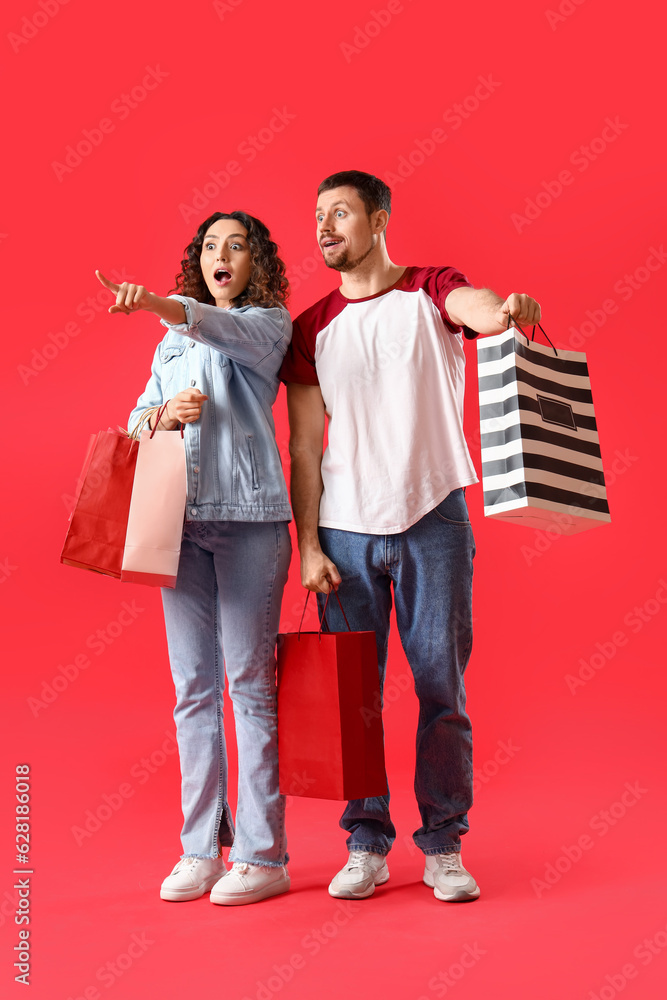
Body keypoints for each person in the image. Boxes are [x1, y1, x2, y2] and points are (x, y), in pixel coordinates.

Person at [280, 170, 541, 903]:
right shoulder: (311, 326)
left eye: (339, 212)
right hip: (345, 529)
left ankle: (442, 847)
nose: (324, 226)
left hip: (433, 518)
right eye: (317, 216)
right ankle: (365, 841)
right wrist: (307, 545)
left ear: (379, 219)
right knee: (351, 696)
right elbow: (303, 447)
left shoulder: (430, 288)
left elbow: (478, 307)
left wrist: (505, 310)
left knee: (440, 689)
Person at [96, 210, 293, 906]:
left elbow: (220, 328)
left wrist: (153, 303)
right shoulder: (170, 343)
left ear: (253, 263)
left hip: (251, 522)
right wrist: (160, 416)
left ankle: (263, 855)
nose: (222, 255)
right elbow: (134, 423)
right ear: (198, 260)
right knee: (192, 690)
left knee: (249, 684)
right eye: (211, 245)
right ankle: (199, 849)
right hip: (180, 524)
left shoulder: (267, 326)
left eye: (235, 246)